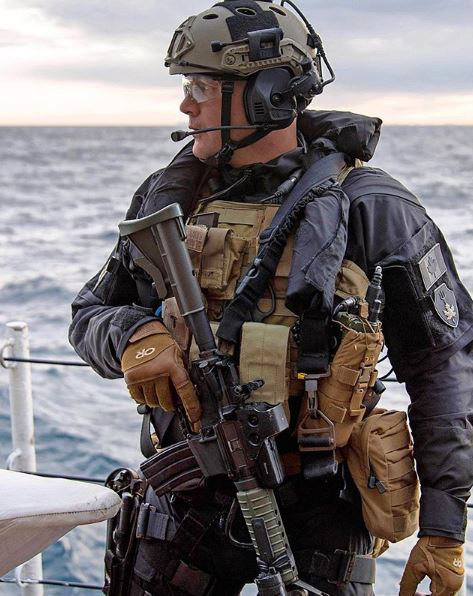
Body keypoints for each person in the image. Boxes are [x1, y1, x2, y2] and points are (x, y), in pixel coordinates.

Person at [69, 1, 473, 594]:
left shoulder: (372, 207)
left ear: (268, 95)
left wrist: (444, 530)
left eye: (201, 87)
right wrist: (134, 336)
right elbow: (90, 313)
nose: (186, 105)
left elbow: (443, 365)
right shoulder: (168, 197)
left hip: (320, 513)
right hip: (182, 506)